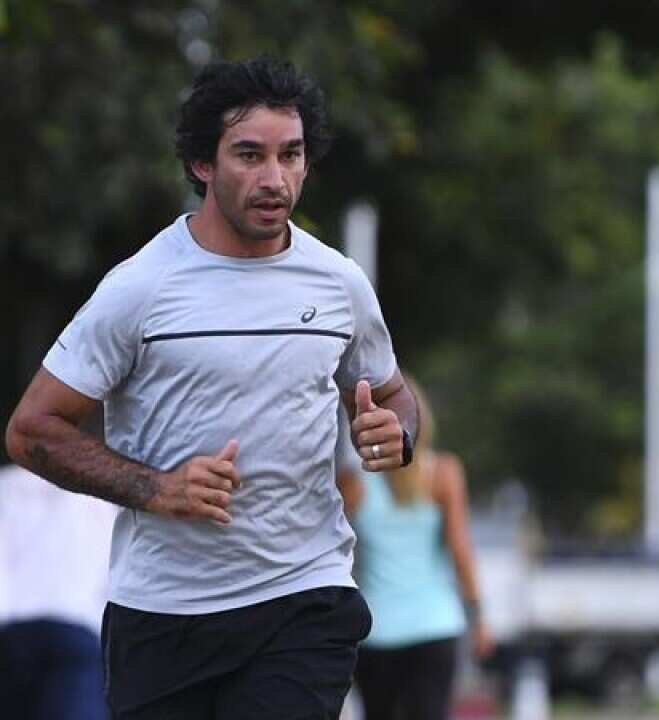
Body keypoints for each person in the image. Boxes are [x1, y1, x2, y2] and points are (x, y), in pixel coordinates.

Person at [4, 55, 418, 719]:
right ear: (203, 164)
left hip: (302, 598)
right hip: (163, 615)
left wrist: (394, 432)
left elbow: (394, 396)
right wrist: (156, 488)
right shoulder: (140, 288)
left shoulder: (337, 284)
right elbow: (31, 431)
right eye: (249, 155)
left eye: (291, 155)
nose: (274, 178)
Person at [341, 376, 494, 720]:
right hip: (435, 627)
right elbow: (460, 551)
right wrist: (478, 618)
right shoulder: (444, 473)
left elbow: (340, 557)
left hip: (376, 632)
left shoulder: (353, 483)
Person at [0, 463, 116, 720]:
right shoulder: (97, 497)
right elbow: (112, 577)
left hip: (12, 636)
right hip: (76, 638)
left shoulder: (6, 485)